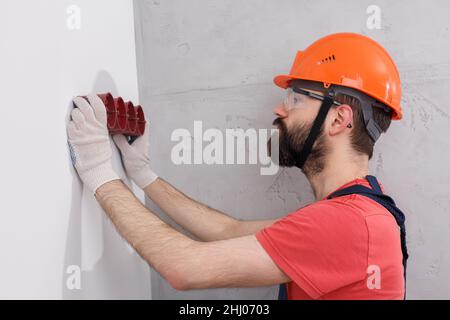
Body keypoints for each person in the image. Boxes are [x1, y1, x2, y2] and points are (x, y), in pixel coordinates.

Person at [67, 33, 408, 299]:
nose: (280, 110)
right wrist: (143, 174)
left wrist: (98, 167)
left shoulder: (350, 223)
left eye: (295, 98)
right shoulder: (354, 213)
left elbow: (183, 268)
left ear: (338, 118)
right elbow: (228, 231)